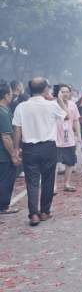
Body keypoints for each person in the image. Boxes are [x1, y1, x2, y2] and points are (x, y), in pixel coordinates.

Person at [12, 78, 67, 226]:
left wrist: (16, 149)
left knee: (32, 182)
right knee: (48, 180)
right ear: (45, 90)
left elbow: (17, 129)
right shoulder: (51, 105)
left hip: (29, 148)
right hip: (48, 147)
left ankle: (33, 214)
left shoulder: (21, 107)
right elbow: (66, 115)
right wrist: (59, 99)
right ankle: (44, 212)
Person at [54, 84, 81, 192]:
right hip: (55, 139)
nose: (65, 94)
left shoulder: (72, 105)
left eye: (67, 91)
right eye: (62, 91)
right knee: (54, 163)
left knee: (70, 162)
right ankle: (53, 186)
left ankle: (67, 184)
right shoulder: (53, 105)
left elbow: (76, 120)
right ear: (58, 93)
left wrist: (78, 135)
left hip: (69, 138)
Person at [0, 83, 20, 215]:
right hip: (4, 155)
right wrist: (13, 154)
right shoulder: (2, 112)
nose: (12, 96)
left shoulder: (5, 110)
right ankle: (3, 206)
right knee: (6, 180)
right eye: (11, 94)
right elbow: (6, 137)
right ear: (6, 95)